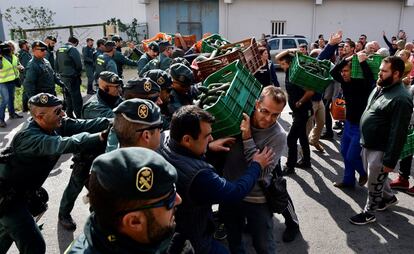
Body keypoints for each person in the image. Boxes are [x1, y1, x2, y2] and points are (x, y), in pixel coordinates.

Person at [0, 93, 111, 254]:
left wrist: (114, 121)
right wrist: (100, 137)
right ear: (39, 116)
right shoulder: (28, 138)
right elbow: (63, 144)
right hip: (9, 200)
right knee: (35, 245)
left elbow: (83, 125)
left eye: (62, 109)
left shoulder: (54, 124)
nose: (63, 114)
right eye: (58, 111)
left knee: (5, 236)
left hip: (22, 194)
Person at [158, 105, 274, 254]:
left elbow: (184, 156)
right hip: (195, 240)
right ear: (187, 139)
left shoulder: (165, 137)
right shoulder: (200, 176)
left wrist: (209, 147)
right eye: (206, 136)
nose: (211, 138)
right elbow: (235, 192)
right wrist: (257, 165)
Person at [222, 87, 300, 253]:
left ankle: (292, 224)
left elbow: (263, 173)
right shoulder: (238, 117)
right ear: (257, 104)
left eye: (275, 115)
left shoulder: (278, 135)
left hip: (257, 199)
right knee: (234, 241)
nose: (268, 118)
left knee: (264, 246)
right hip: (230, 194)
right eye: (264, 111)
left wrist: (247, 137)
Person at [64, 147, 182, 254]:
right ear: (134, 221)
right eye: (170, 199)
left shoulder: (165, 238)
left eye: (174, 190)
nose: (178, 200)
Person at [349, 56, 413, 225]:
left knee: (373, 181)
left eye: (384, 71)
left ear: (397, 74)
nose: (380, 74)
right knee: (375, 176)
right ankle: (388, 198)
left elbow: (398, 133)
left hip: (380, 147)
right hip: (369, 142)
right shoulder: (382, 86)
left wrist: (390, 160)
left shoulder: (401, 98)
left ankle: (369, 213)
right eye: (380, 70)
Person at [58, 71, 123, 230]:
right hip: (89, 152)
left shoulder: (115, 99)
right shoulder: (93, 106)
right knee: (76, 184)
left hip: (106, 152)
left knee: (101, 190)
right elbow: (116, 120)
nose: (119, 90)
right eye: (115, 87)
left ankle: (98, 214)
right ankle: (63, 214)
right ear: (105, 88)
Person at [330, 51, 374, 188]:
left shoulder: (362, 83)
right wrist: (347, 59)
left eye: (346, 71)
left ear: (354, 72)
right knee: (344, 152)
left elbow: (370, 78)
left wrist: (362, 62)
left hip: (360, 126)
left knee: (351, 156)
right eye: (342, 71)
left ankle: (362, 172)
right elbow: (333, 72)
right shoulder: (344, 82)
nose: (343, 73)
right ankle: (348, 181)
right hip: (348, 123)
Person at [275, 49, 314, 175]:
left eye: (283, 64)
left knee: (291, 139)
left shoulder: (297, 76)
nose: (281, 66)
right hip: (298, 113)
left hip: (303, 112)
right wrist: (290, 50)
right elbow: (277, 57)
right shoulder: (289, 72)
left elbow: (310, 92)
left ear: (290, 63)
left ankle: (290, 166)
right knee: (302, 136)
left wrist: (300, 102)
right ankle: (306, 161)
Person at [55, 36, 83, 118]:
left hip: (63, 78)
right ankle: (79, 116)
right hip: (72, 77)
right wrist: (77, 73)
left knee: (67, 97)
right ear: (75, 43)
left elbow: (56, 65)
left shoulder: (59, 50)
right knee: (76, 98)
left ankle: (69, 114)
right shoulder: (72, 49)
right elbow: (79, 64)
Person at [0, 42, 23, 128]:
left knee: (11, 98)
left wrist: (21, 67)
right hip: (2, 82)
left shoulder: (14, 57)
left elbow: (17, 64)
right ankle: (1, 120)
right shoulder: (1, 58)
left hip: (12, 80)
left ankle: (12, 114)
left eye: (9, 47)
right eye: (6, 48)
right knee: (5, 100)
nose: (9, 49)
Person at [17, 39, 32, 112]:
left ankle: (25, 107)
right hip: (26, 75)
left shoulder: (21, 53)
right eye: (27, 44)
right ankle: (26, 107)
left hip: (23, 75)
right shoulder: (24, 54)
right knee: (27, 90)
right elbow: (27, 66)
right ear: (24, 45)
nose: (29, 45)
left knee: (26, 91)